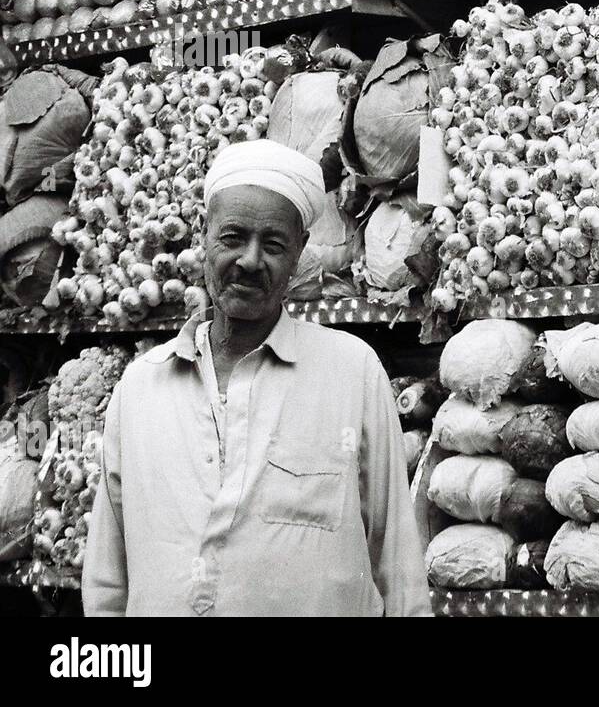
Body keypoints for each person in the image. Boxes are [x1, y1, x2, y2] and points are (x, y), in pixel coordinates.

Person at [82, 139, 431, 616]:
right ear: (203, 236)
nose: (250, 260)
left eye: (273, 244)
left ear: (299, 253)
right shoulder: (140, 388)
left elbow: (399, 567)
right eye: (232, 237)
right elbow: (105, 582)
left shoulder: (352, 372)